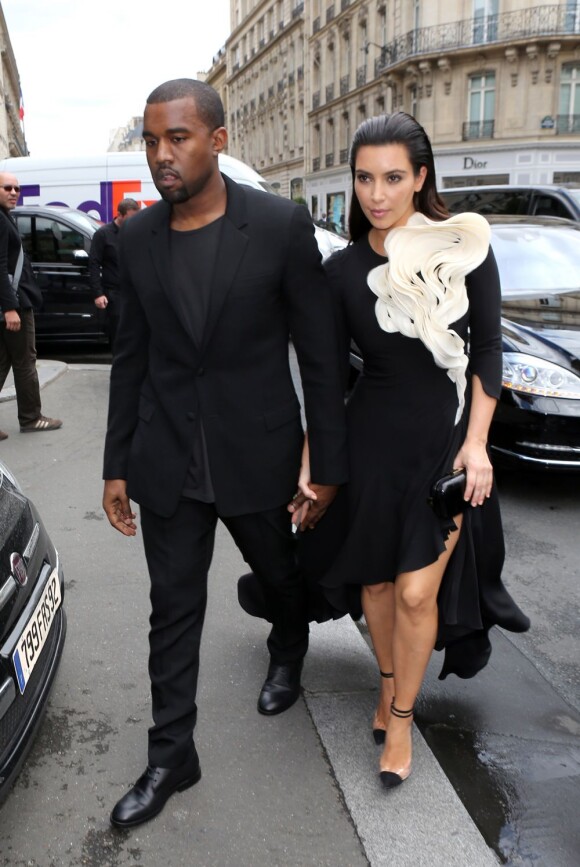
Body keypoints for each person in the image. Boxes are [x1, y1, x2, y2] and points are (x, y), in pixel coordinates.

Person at [101, 78, 347, 829]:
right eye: (150, 140)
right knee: (171, 611)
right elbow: (132, 357)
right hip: (169, 459)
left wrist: (326, 464)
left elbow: (321, 353)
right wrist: (116, 463)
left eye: (176, 138)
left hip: (258, 451)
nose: (160, 155)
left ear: (217, 140)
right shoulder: (135, 239)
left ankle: (289, 641)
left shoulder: (277, 225)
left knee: (279, 574)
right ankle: (173, 752)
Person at [289, 113, 530, 790]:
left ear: (421, 177)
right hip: (371, 440)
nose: (377, 192)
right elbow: (330, 379)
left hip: (444, 440)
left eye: (393, 177)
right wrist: (315, 459)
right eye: (365, 177)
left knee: (418, 589)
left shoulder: (464, 248)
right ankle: (389, 685)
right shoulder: (341, 271)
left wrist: (477, 444)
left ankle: (399, 719)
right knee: (375, 582)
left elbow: (487, 347)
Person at [0, 172, 62, 439]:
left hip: (12, 301)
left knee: (2, 361)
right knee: (25, 361)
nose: (14, 192)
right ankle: (31, 418)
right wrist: (10, 307)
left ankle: (31, 416)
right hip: (15, 304)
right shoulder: (1, 221)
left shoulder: (5, 217)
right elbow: (0, 266)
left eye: (17, 188)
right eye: (7, 187)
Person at [88, 197, 140, 349]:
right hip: (114, 293)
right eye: (130, 218)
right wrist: (98, 293)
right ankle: (120, 368)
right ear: (119, 214)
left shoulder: (134, 232)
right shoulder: (103, 234)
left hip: (134, 293)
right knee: (118, 335)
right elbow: (94, 263)